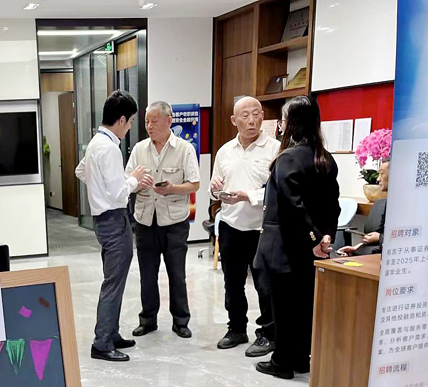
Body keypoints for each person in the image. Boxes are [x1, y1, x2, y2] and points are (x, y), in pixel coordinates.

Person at [254, 96, 341, 379]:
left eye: (282, 120)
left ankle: (282, 361)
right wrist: (324, 237)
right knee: (304, 305)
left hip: (284, 246)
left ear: (290, 123)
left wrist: (314, 238)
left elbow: (292, 206)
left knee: (282, 306)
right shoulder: (325, 158)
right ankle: (302, 358)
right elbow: (332, 206)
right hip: (311, 247)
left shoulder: (287, 158)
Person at [75, 90, 150, 362]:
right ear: (121, 119)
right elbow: (119, 194)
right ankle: (102, 342)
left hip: (103, 220)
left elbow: (80, 171)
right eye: (130, 121)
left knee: (113, 280)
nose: (130, 127)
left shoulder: (96, 142)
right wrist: (134, 179)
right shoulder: (109, 148)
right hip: (114, 219)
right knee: (113, 284)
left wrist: (99, 189)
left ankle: (111, 333)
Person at [210, 96, 281, 357]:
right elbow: (214, 188)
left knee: (264, 285)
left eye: (256, 114)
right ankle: (236, 328)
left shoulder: (275, 149)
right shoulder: (225, 151)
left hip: (262, 228)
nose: (251, 120)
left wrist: (247, 196)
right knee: (232, 283)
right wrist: (215, 189)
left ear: (262, 117)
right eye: (245, 115)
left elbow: (277, 191)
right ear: (234, 120)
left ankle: (268, 334)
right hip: (231, 224)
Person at [125, 101, 201, 339]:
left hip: (175, 223)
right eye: (146, 121)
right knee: (147, 275)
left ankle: (181, 321)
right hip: (145, 221)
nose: (149, 126)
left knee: (177, 275)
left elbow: (194, 184)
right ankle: (148, 320)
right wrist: (137, 183)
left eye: (154, 121)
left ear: (169, 121)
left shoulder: (184, 149)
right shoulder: (139, 149)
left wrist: (172, 188)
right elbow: (126, 181)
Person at [339, 158, 388, 256]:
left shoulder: (407, 207)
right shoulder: (382, 203)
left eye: (382, 174)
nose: (378, 179)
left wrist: (380, 238)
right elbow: (375, 235)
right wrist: (355, 248)